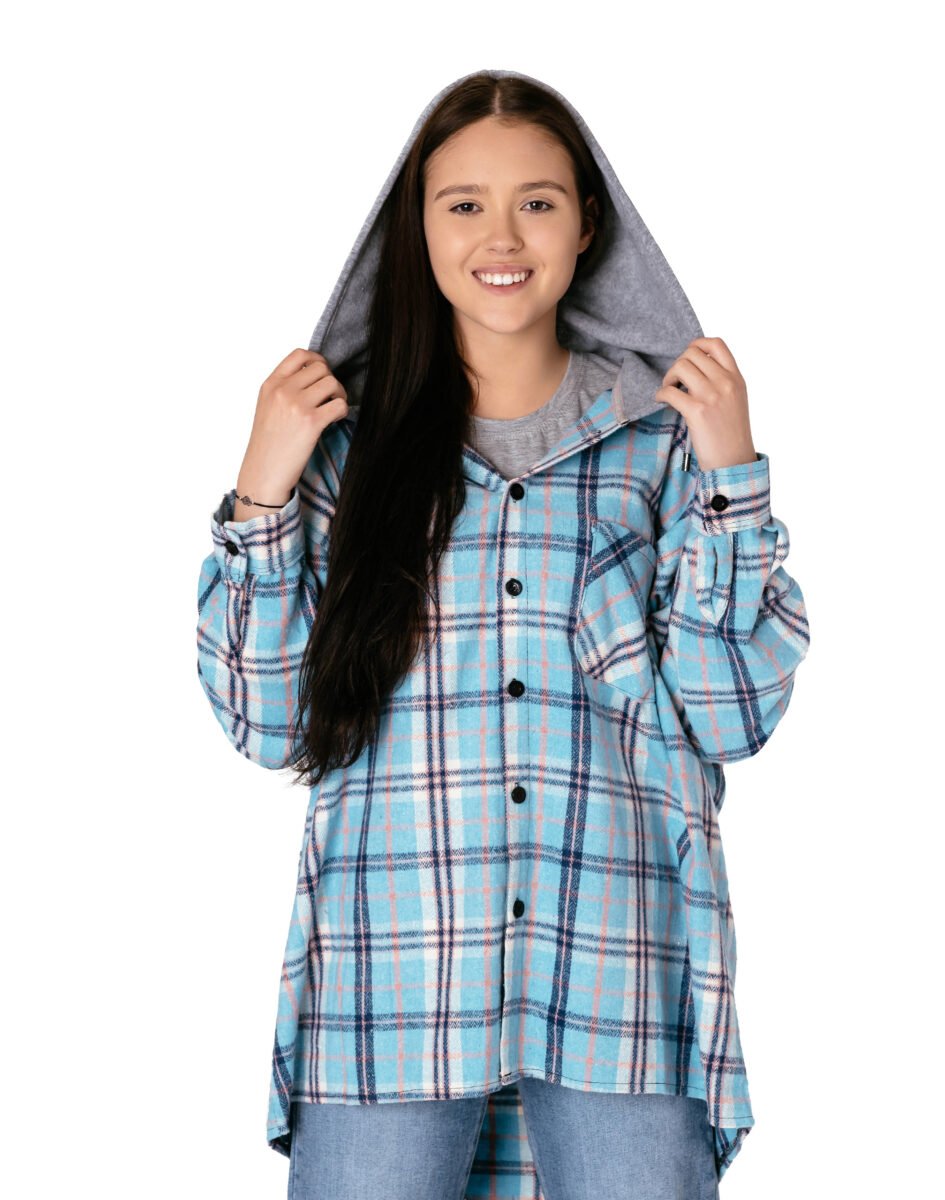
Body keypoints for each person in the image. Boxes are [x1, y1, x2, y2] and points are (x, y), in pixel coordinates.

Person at [195, 68, 811, 1200]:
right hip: (391, 985)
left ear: (587, 226)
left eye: (537, 201)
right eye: (464, 203)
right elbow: (268, 724)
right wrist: (260, 493)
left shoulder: (664, 441)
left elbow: (729, 717)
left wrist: (732, 477)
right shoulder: (344, 449)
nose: (502, 236)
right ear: (417, 229)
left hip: (618, 975)